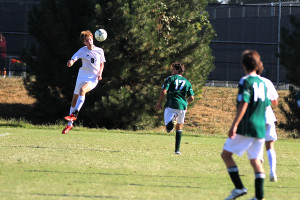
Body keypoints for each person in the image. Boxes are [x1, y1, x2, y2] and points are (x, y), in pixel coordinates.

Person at [221, 50, 269, 200]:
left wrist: (234, 125)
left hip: (247, 126)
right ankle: (259, 197)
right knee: (255, 160)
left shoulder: (245, 81)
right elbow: (266, 105)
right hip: (260, 127)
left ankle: (239, 188)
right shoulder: (263, 82)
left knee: (226, 155)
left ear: (243, 64)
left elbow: (244, 103)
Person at [62, 30, 106, 134]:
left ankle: (74, 114)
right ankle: (69, 125)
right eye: (87, 41)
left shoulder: (100, 50)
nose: (90, 42)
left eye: (90, 39)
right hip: (81, 76)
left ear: (92, 39)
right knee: (74, 100)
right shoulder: (82, 50)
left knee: (83, 90)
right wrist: (70, 62)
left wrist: (100, 73)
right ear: (84, 42)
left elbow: (102, 64)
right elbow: (74, 59)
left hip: (93, 78)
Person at [156, 62, 194, 155]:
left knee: (168, 129)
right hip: (182, 106)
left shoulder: (170, 78)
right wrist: (186, 104)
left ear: (177, 70)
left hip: (171, 104)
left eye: (173, 69)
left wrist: (159, 102)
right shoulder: (187, 82)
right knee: (179, 126)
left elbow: (163, 92)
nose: (171, 70)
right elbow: (192, 98)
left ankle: (172, 121)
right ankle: (177, 150)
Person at [257, 63, 279, 182]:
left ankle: (260, 173)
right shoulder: (267, 82)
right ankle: (272, 172)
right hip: (268, 116)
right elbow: (275, 101)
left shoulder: (248, 81)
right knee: (270, 146)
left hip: (256, 116)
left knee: (258, 146)